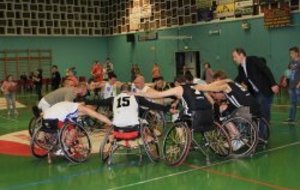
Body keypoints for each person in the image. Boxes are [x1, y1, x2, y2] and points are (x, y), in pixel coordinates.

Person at [136, 75, 228, 132]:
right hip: (209, 118)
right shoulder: (198, 86)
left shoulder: (178, 88)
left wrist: (137, 93)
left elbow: (158, 95)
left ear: (176, 83)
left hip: (195, 119)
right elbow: (212, 102)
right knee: (185, 113)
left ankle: (183, 142)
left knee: (176, 119)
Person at [232, 48, 279, 123]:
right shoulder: (241, 68)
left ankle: (263, 134)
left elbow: (266, 70)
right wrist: (229, 85)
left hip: (265, 90)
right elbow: (238, 79)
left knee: (263, 113)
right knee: (259, 113)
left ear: (241, 55)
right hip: (255, 93)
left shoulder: (252, 60)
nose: (234, 59)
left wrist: (273, 84)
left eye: (235, 56)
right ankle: (262, 131)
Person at [283, 46, 300, 123]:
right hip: (291, 85)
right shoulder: (291, 62)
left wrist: (299, 84)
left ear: (297, 53)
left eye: (292, 53)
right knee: (293, 102)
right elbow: (288, 72)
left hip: (298, 86)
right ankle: (291, 118)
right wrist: (284, 80)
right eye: (290, 53)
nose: (291, 55)